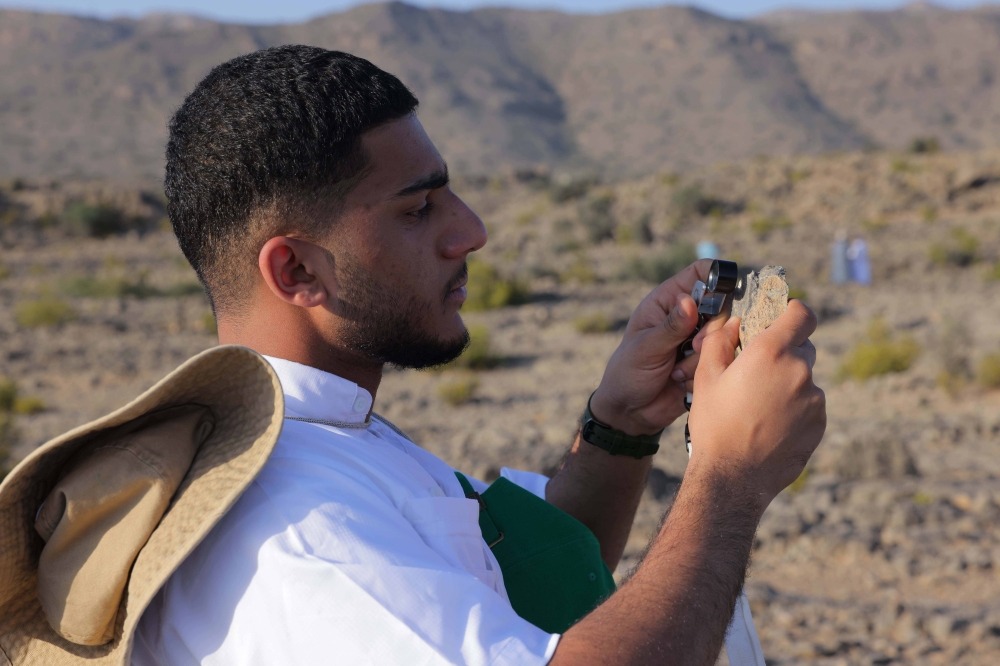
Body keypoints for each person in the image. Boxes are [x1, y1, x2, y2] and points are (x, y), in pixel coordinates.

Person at [131, 46, 826, 666]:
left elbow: (524, 592)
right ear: (297, 273)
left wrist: (621, 425)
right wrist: (730, 479)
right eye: (418, 209)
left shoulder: (331, 437)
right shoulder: (297, 529)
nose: (471, 231)